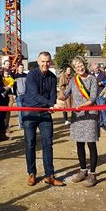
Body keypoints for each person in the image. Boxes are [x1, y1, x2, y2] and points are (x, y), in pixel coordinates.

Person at [22, 52, 64, 187]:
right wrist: (51, 104)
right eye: (43, 61)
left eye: (47, 61)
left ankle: (49, 175)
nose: (45, 64)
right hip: (30, 112)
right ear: (38, 61)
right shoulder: (31, 75)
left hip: (45, 113)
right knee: (30, 143)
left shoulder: (52, 77)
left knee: (48, 144)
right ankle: (31, 173)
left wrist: (52, 104)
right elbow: (34, 95)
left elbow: (52, 95)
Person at [59, 56, 98, 187]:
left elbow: (92, 98)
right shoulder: (73, 81)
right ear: (74, 69)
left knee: (91, 144)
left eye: (81, 65)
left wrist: (81, 106)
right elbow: (66, 94)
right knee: (79, 144)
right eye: (77, 67)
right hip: (77, 116)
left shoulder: (92, 79)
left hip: (90, 115)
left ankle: (92, 173)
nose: (80, 68)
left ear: (84, 65)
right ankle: (83, 171)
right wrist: (59, 98)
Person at [91, 64, 106, 130]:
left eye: (97, 68)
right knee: (98, 110)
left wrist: (103, 82)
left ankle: (105, 123)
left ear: (99, 68)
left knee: (103, 110)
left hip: (101, 94)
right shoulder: (91, 75)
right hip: (95, 95)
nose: (96, 69)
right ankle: (100, 123)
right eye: (95, 68)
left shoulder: (103, 74)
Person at [14, 64, 27, 129]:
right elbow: (14, 86)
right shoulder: (15, 76)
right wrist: (15, 94)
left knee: (26, 110)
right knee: (20, 110)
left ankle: (25, 123)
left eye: (22, 67)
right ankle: (21, 123)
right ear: (18, 68)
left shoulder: (26, 75)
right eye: (20, 68)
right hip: (19, 95)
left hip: (25, 95)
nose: (21, 69)